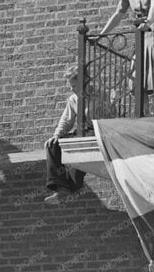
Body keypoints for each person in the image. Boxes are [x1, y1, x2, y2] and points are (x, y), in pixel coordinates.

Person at [98, 0, 154, 113]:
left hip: (153, 32)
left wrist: (150, 21)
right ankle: (144, 112)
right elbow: (119, 13)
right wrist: (102, 34)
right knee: (135, 78)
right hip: (139, 34)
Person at [42, 66, 114, 205]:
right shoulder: (73, 99)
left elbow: (110, 116)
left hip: (98, 130)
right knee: (53, 145)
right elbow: (66, 120)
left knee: (79, 146)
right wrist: (56, 135)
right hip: (82, 132)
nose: (71, 89)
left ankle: (71, 187)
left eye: (73, 85)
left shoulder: (102, 94)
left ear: (84, 82)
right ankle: (60, 187)